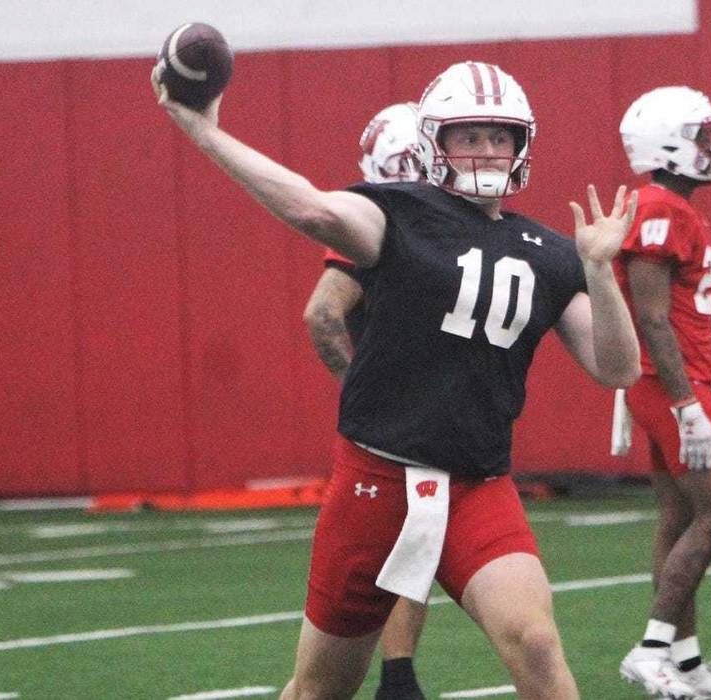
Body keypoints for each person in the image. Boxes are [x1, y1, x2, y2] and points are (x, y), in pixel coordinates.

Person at [153, 59, 642, 699]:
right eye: (469, 136)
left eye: (500, 136)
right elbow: (311, 210)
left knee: (538, 643)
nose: (487, 150)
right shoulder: (398, 211)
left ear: (522, 144)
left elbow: (618, 368)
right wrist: (205, 132)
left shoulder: (548, 250)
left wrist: (601, 273)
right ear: (434, 143)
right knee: (321, 688)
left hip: (477, 485)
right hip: (376, 484)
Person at [611, 86, 711, 698]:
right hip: (676, 380)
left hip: (665, 380)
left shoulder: (671, 206)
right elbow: (651, 317)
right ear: (668, 144)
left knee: (679, 516)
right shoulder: (661, 207)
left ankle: (685, 659)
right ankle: (650, 651)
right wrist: (685, 403)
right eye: (701, 136)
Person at [301, 102, 430, 700]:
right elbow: (323, 314)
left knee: (418, 545)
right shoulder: (381, 224)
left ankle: (398, 678)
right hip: (390, 435)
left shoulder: (433, 226)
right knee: (381, 567)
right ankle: (397, 679)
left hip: (425, 420)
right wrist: (369, 396)